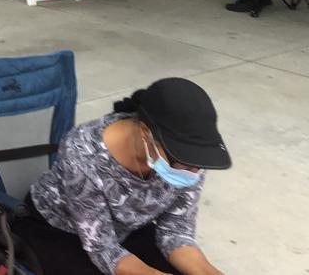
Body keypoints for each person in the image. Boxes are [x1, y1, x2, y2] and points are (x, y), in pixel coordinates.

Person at [13, 78, 230, 275]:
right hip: (59, 228)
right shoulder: (83, 153)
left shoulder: (189, 155)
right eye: (184, 162)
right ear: (146, 133)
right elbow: (102, 246)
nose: (193, 172)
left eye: (198, 165)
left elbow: (176, 231)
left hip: (125, 229)